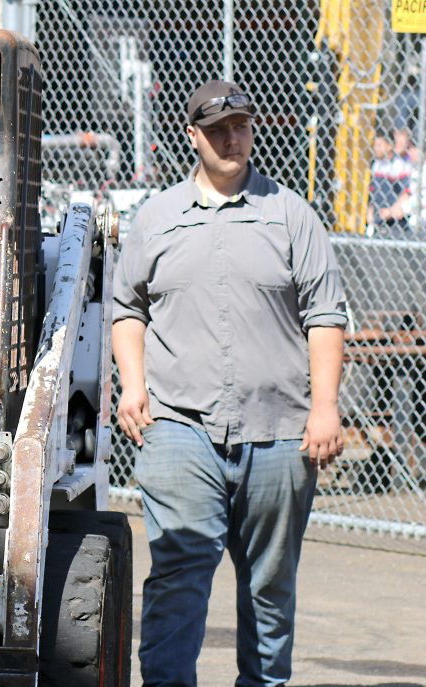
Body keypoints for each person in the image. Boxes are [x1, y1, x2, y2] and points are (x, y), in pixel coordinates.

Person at [112, 80, 348, 687]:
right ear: (193, 137)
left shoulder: (290, 213)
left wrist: (325, 408)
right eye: (217, 130)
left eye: (240, 126)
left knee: (270, 586)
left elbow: (325, 315)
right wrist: (133, 387)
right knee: (178, 573)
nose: (231, 138)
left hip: (278, 430)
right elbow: (127, 310)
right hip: (179, 427)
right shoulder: (157, 218)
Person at [367, 132, 413, 237]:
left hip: (396, 221)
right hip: (378, 218)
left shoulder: (401, 165)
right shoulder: (377, 165)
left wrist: (390, 212)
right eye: (375, 145)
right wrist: (370, 211)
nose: (375, 148)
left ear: (389, 146)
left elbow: (406, 193)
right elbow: (374, 192)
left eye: (379, 145)